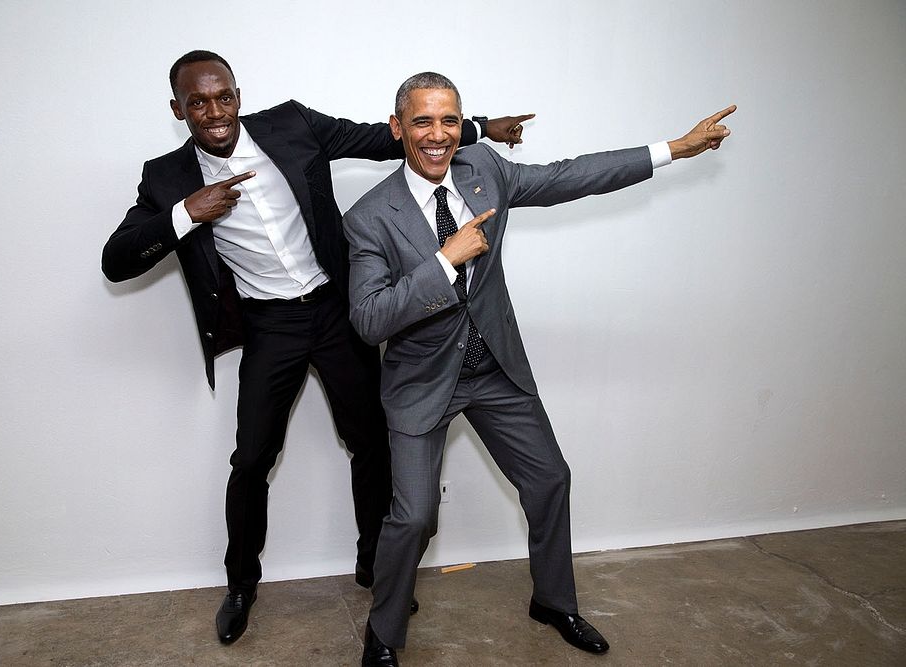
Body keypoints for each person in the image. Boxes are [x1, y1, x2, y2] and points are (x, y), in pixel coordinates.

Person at [101, 51, 533, 645]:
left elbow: (385, 138)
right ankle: (240, 585)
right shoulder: (166, 178)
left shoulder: (292, 125)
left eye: (222, 96)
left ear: (238, 95)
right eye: (197, 103)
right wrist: (184, 214)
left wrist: (485, 125)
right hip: (270, 327)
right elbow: (116, 261)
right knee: (251, 459)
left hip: (336, 312)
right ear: (179, 110)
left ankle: (374, 568)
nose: (214, 111)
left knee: (370, 442)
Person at [343, 71, 734, 665]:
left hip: (494, 369)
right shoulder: (370, 217)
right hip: (422, 383)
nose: (438, 134)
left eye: (449, 119)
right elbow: (369, 320)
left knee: (551, 479)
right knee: (414, 516)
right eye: (422, 121)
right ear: (398, 128)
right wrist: (444, 262)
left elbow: (568, 177)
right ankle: (384, 631)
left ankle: (553, 601)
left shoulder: (484, 170)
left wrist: (672, 150)